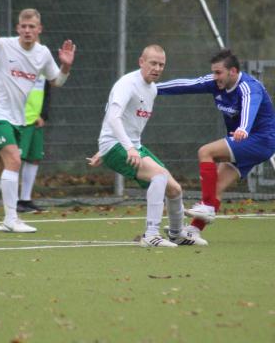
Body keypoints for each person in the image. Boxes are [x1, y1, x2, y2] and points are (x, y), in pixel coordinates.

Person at [0, 8, 75, 233]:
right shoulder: (4, 45)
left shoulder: (43, 53)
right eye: (23, 26)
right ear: (17, 28)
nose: (27, 30)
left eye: (31, 27)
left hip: (17, 119)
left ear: (39, 30)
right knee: (14, 160)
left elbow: (57, 81)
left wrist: (66, 65)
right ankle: (11, 218)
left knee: (0, 167)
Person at [87, 45, 207, 247]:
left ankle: (177, 234)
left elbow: (128, 123)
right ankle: (150, 235)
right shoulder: (127, 84)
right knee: (158, 175)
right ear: (141, 62)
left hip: (129, 145)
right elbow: (113, 117)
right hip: (119, 145)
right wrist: (118, 148)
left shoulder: (152, 89)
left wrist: (115, 148)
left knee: (175, 189)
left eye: (161, 65)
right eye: (153, 63)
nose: (157, 68)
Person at [157, 49, 275, 241]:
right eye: (213, 72)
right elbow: (187, 85)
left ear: (233, 71)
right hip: (244, 141)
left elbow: (249, 107)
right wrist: (154, 89)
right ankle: (194, 232)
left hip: (258, 140)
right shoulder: (215, 84)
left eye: (219, 72)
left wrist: (244, 128)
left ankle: (207, 207)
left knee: (205, 152)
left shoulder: (248, 87)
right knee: (217, 186)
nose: (215, 76)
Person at [17, 74, 50, 213]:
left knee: (34, 158)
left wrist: (43, 115)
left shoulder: (45, 65)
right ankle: (11, 202)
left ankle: (25, 200)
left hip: (36, 120)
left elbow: (48, 92)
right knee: (14, 160)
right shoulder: (19, 61)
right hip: (20, 119)